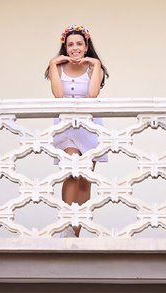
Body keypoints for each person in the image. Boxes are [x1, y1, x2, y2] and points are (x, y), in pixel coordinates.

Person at [45, 24, 109, 238]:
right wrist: (53, 63)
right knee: (72, 172)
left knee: (84, 180)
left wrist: (96, 64)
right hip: (66, 127)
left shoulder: (94, 68)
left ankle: (75, 231)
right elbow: (58, 95)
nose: (75, 48)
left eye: (79, 44)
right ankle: (66, 223)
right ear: (65, 47)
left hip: (89, 128)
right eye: (70, 44)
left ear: (86, 46)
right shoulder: (57, 68)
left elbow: (92, 95)